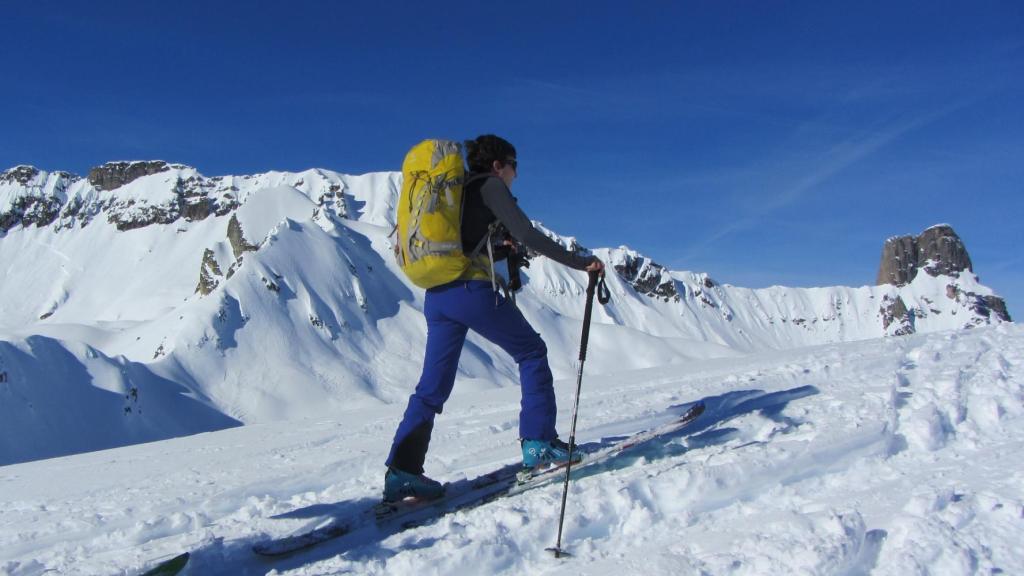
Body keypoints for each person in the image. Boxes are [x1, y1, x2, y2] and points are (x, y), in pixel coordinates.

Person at [383, 134, 605, 502]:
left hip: (438, 296)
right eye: (514, 166)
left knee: (431, 387)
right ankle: (539, 443)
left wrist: (501, 249)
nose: (517, 175)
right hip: (470, 292)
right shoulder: (489, 185)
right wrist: (583, 264)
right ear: (499, 164)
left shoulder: (458, 193)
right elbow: (528, 234)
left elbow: (471, 239)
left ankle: (402, 471)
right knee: (532, 352)